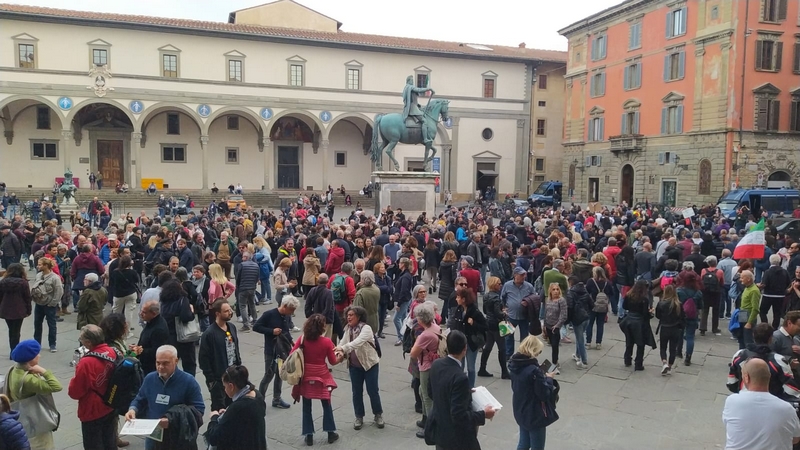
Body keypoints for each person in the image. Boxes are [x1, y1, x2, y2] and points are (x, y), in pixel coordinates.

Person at [125, 345, 205, 450]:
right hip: (153, 435)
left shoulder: (188, 382)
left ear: (176, 361)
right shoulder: (150, 379)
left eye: (165, 363)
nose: (160, 367)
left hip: (177, 438)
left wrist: (172, 420)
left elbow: (199, 410)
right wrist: (132, 409)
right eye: (158, 363)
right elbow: (140, 398)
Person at [427, 330, 495, 450]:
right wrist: (483, 414)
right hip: (457, 440)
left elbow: (431, 393)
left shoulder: (436, 365)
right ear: (465, 349)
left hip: (440, 433)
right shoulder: (460, 378)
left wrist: (464, 393)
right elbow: (459, 416)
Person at [723, 358, 800, 450]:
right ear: (769, 377)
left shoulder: (732, 401)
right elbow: (795, 439)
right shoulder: (788, 409)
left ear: (746, 378)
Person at [290, 314, 340, 446]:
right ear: (322, 328)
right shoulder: (327, 342)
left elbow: (292, 354)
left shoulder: (302, 339)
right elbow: (333, 361)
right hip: (322, 376)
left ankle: (309, 435)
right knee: (326, 403)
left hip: (306, 376)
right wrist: (341, 357)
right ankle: (330, 433)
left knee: (307, 406)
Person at [335, 305, 385, 432]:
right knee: (356, 392)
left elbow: (357, 343)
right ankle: (359, 416)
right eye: (347, 315)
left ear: (359, 316)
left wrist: (343, 348)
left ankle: (378, 414)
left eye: (351, 315)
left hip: (370, 365)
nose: (348, 317)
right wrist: (338, 351)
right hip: (354, 366)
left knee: (372, 391)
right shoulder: (348, 329)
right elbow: (342, 342)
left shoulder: (366, 328)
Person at [68, 324, 118, 450]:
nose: (81, 341)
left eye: (81, 339)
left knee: (93, 444)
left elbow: (75, 392)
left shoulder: (86, 362)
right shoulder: (113, 352)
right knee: (110, 442)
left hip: (92, 409)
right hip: (111, 403)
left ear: (89, 342)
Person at [5, 339, 62, 449]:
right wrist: (44, 372)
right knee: (43, 445)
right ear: (30, 359)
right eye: (37, 354)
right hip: (35, 422)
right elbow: (56, 386)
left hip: (23, 419)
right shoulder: (28, 380)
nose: (39, 355)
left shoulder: (14, 369)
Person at [508, 336, 559, 450]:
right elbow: (544, 394)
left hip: (520, 408)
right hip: (534, 412)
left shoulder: (514, 365)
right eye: (539, 352)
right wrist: (549, 379)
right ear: (534, 351)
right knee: (537, 446)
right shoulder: (534, 371)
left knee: (524, 443)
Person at [728, 322, 800, 401]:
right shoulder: (779, 360)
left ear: (753, 335)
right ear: (771, 338)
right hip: (771, 403)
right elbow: (792, 390)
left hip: (744, 401)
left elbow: (731, 383)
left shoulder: (739, 355)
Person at [204, 365, 268, 450]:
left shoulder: (237, 408)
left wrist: (214, 417)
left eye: (225, 386)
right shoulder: (257, 395)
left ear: (231, 386)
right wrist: (227, 413)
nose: (224, 390)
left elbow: (214, 437)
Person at [253, 295, 297, 409]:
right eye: (291, 310)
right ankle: (260, 400)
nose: (292, 313)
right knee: (269, 374)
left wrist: (292, 342)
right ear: (285, 306)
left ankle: (277, 399)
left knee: (280, 374)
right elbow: (256, 327)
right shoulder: (269, 314)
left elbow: (286, 331)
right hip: (271, 350)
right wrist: (271, 331)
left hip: (282, 350)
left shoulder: (286, 316)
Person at [199, 300, 241, 411]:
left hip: (234, 376)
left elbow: (236, 349)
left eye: (230, 310)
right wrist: (212, 381)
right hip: (219, 380)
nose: (230, 313)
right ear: (217, 314)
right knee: (219, 408)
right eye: (226, 311)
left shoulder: (231, 327)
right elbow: (203, 359)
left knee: (234, 406)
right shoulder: (209, 334)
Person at [447, 288, 487, 388]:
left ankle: (471, 387)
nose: (456, 299)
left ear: (464, 299)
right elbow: (455, 324)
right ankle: (460, 385)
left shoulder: (475, 311)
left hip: (471, 343)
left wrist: (474, 323)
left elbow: (485, 326)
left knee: (471, 368)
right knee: (460, 366)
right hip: (460, 343)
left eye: (458, 297)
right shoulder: (459, 309)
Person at [160, 279, 198, 376]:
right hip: (184, 337)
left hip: (170, 336)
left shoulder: (164, 302)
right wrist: (192, 312)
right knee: (189, 364)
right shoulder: (182, 300)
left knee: (171, 362)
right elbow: (186, 317)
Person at [620, 279, 655, 371]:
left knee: (629, 341)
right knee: (640, 343)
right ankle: (638, 364)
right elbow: (645, 314)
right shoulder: (644, 299)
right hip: (639, 322)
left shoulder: (628, 295)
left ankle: (627, 359)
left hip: (629, 320)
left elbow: (624, 306)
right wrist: (650, 313)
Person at [501, 266, 535, 358]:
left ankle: (523, 354)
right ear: (515, 275)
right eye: (521, 275)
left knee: (524, 337)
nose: (524, 276)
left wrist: (528, 302)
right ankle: (508, 354)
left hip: (525, 317)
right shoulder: (507, 285)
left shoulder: (529, 286)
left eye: (524, 275)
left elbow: (535, 298)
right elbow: (502, 297)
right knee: (508, 336)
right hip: (510, 316)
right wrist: (503, 308)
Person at [479, 276, 509, 379]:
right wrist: (504, 313)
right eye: (499, 284)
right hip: (497, 325)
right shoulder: (496, 298)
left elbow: (485, 310)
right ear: (494, 285)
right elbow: (498, 313)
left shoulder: (486, 296)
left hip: (488, 323)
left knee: (488, 347)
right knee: (502, 348)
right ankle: (504, 371)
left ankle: (482, 368)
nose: (500, 285)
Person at [31, 257, 63, 353]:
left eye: (40, 264)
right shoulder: (38, 275)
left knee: (51, 324)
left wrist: (52, 303)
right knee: (37, 324)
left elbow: (59, 291)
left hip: (49, 305)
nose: (38, 266)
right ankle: (37, 343)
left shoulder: (55, 278)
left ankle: (52, 344)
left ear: (46, 266)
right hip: (39, 304)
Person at [131, 300, 169, 375]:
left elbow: (156, 351)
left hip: (150, 369)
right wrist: (137, 347)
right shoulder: (151, 322)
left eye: (144, 312)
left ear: (153, 314)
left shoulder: (159, 330)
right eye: (141, 311)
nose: (140, 314)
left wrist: (140, 351)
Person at [0, 263, 31, 354]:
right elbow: (27, 298)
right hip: (19, 309)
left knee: (11, 330)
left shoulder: (3, 282)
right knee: (16, 331)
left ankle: (13, 350)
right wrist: (28, 310)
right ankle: (15, 351)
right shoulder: (23, 283)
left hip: (6, 309)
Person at [655, 284, 684, 375]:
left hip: (665, 327)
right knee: (673, 349)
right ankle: (670, 366)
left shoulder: (661, 303)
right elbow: (682, 317)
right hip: (675, 329)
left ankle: (664, 363)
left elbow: (658, 316)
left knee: (663, 347)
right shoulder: (678, 304)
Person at [677, 271, 704, 365]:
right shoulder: (698, 292)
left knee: (679, 334)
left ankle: (678, 352)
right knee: (690, 337)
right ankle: (688, 357)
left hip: (681, 315)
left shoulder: (679, 291)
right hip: (692, 315)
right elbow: (700, 306)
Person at [566, 275, 591, 369]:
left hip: (577, 318)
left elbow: (570, 307)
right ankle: (577, 355)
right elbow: (591, 303)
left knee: (580, 339)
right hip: (586, 317)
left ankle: (584, 361)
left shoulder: (571, 292)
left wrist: (567, 320)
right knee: (579, 336)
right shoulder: (585, 290)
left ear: (570, 283)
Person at [109, 255, 139, 333]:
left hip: (118, 294)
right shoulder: (132, 272)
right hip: (130, 293)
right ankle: (127, 331)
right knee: (129, 313)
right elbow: (136, 280)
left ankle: (115, 329)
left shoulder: (115, 272)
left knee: (116, 312)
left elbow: (111, 282)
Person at [585, 266, 613, 350]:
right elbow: (612, 293)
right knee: (600, 324)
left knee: (590, 324)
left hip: (592, 305)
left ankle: (588, 342)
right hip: (603, 306)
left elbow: (586, 292)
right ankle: (598, 343)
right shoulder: (607, 282)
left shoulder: (591, 281)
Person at [761, 253, 791, 331]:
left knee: (763, 311)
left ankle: (765, 326)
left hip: (768, 295)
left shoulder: (768, 272)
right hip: (780, 296)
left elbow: (764, 283)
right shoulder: (784, 272)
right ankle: (775, 328)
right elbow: (789, 283)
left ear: (770, 261)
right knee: (777, 313)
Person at [543, 283, 567, 372]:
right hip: (548, 325)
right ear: (550, 291)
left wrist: (557, 325)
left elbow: (563, 315)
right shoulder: (548, 300)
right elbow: (545, 313)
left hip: (555, 327)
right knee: (551, 344)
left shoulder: (561, 300)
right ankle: (554, 362)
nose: (556, 291)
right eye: (553, 289)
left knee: (555, 345)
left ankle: (555, 362)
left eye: (557, 289)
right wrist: (544, 325)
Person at [234, 251, 259, 331]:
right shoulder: (256, 265)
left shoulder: (242, 265)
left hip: (243, 288)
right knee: (252, 304)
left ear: (246, 257)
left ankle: (246, 324)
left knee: (242, 306)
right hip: (252, 288)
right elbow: (257, 277)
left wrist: (238, 286)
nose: (242, 258)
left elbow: (238, 277)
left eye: (243, 257)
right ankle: (255, 320)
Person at [393, 257, 414, 346]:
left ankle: (401, 337)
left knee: (396, 319)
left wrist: (399, 303)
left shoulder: (405, 276)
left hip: (403, 300)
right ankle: (406, 336)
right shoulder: (405, 274)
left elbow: (404, 290)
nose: (399, 264)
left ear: (403, 264)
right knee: (403, 318)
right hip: (406, 299)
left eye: (400, 263)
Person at [740, 270, 761, 349]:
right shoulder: (747, 288)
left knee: (748, 339)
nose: (741, 279)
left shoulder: (754, 290)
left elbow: (755, 309)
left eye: (742, 278)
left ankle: (749, 354)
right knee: (741, 338)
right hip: (743, 314)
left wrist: (749, 322)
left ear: (748, 279)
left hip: (748, 315)